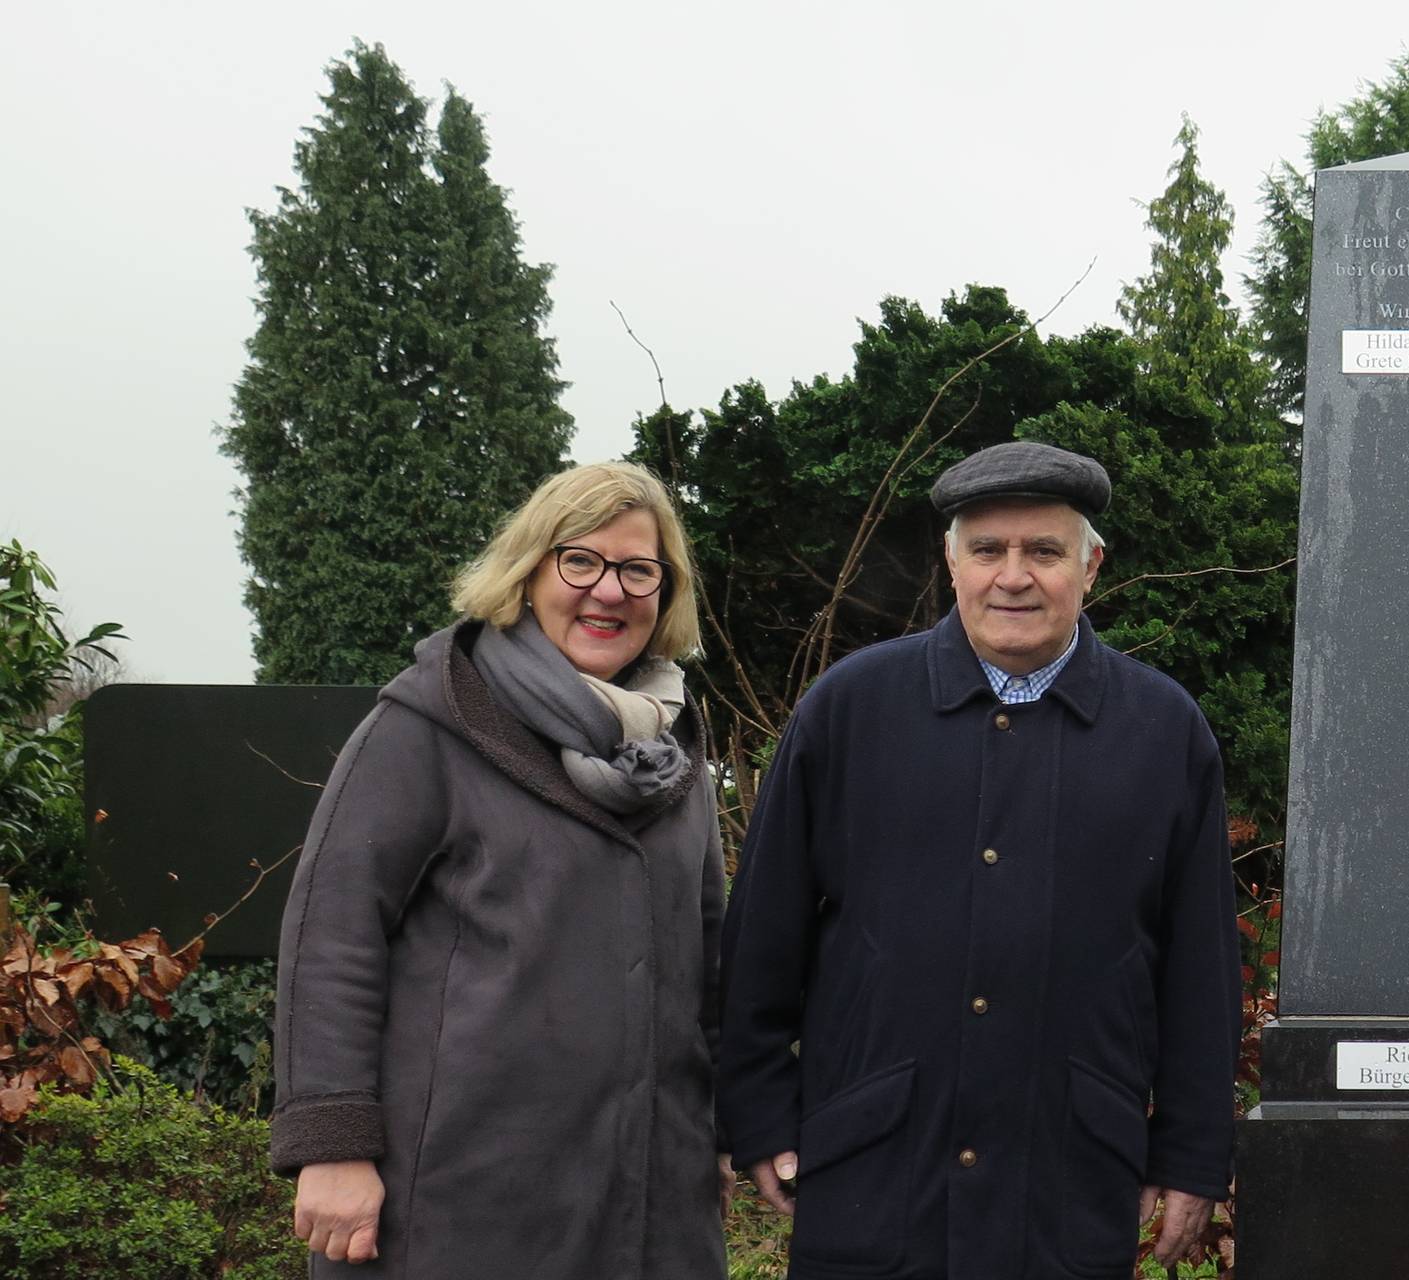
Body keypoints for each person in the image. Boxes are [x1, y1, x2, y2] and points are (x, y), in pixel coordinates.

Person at [718, 440, 1238, 1277]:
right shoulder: (848, 710)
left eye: (1045, 551)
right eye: (989, 549)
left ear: (1091, 566)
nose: (1014, 576)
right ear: (951, 562)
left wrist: (1191, 1150)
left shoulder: (1165, 732)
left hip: (1067, 1179)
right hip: (876, 1172)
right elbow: (762, 939)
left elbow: (1200, 969)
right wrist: (756, 1112)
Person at [270, 462, 724, 1277]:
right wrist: (332, 1145)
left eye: (638, 570)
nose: (609, 591)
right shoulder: (426, 724)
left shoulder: (674, 748)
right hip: (457, 1198)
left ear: (666, 592)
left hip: (652, 1199)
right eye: (579, 561)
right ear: (527, 572)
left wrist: (724, 1127)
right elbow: (332, 937)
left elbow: (710, 957)